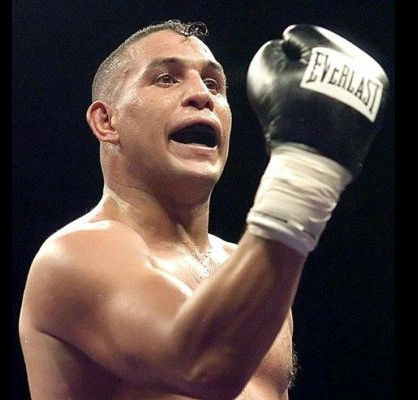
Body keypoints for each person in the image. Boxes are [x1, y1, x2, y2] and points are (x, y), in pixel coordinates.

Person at [18, 19, 388, 400]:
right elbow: (202, 364)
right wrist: (306, 171)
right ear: (106, 121)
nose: (201, 95)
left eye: (213, 84)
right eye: (166, 79)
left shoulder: (251, 270)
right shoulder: (73, 257)